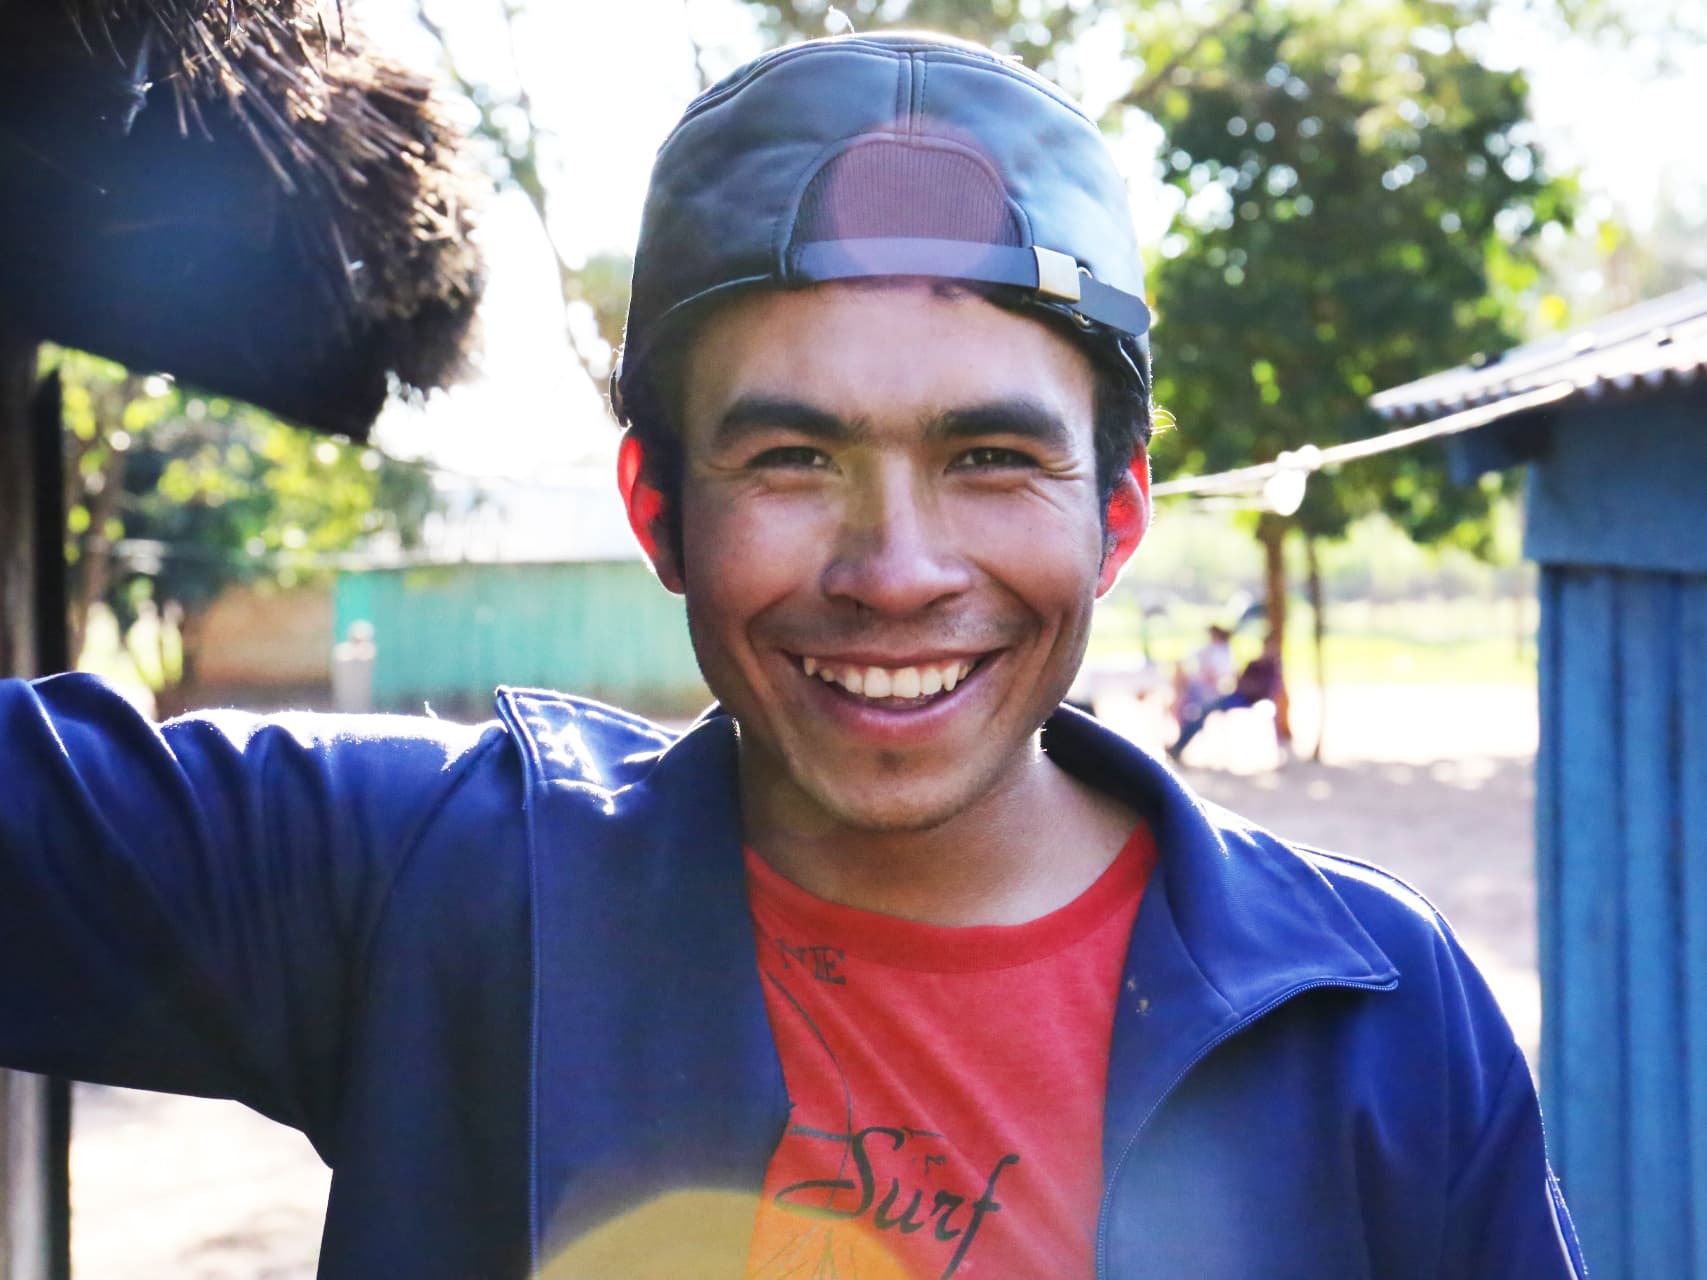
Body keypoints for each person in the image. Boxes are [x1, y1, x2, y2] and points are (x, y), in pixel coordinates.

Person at [0, 31, 1585, 1280]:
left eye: (988, 459)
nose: (894, 573)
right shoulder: (428, 888)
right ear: (658, 511)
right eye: (790, 460)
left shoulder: (1368, 1012)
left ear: (1114, 515)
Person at [1169, 629, 1285, 759]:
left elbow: (1266, 690)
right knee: (1201, 711)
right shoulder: (1254, 664)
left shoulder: (1273, 668)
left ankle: (1178, 747)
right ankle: (1179, 746)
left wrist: (1249, 687)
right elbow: (1241, 683)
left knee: (1205, 709)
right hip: (1238, 697)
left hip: (1251, 700)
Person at [1168, 622, 1234, 728]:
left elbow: (1219, 677)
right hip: (1200, 690)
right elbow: (1187, 658)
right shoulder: (1208, 649)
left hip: (1211, 693)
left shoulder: (1222, 652)